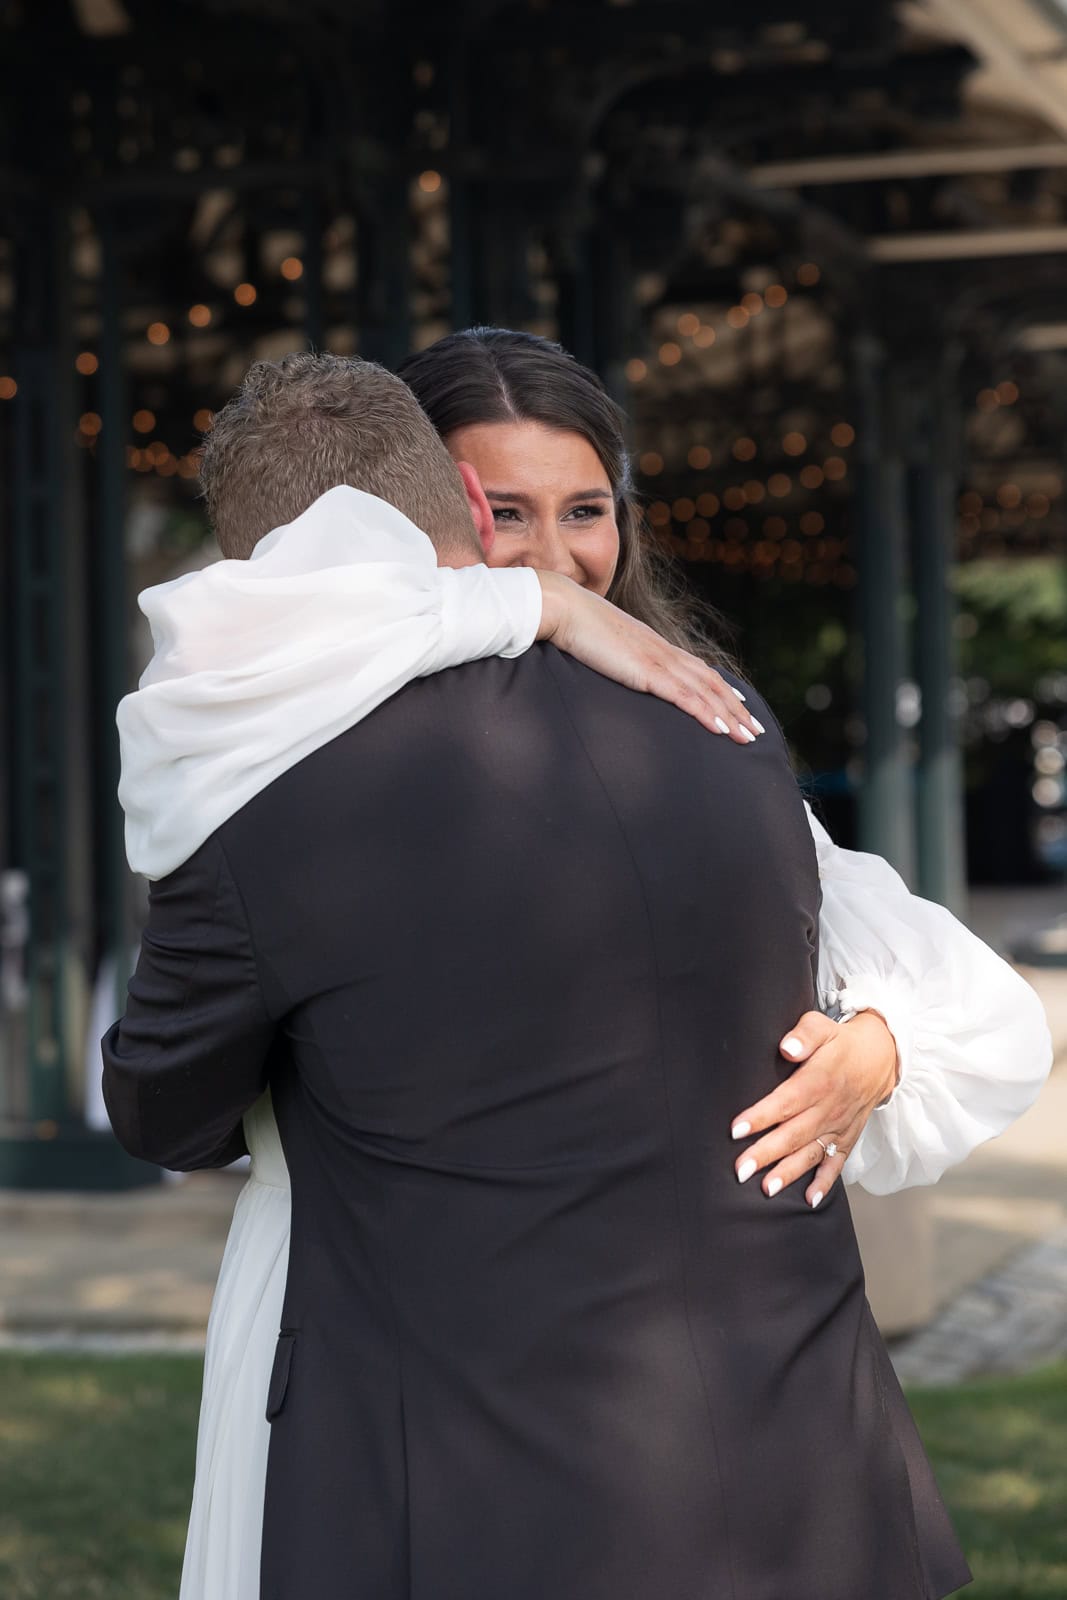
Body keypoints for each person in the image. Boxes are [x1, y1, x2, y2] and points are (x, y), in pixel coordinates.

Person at [110, 347, 1049, 1599]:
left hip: (477, 1472)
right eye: (504, 514)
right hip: (797, 1476)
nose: (550, 558)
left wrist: (880, 1042)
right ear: (440, 504)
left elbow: (166, 1109)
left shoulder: (271, 793)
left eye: (584, 509)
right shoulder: (725, 729)